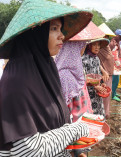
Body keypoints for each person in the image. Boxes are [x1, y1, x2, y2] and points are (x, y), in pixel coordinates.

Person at [0, 0, 93, 156]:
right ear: (34, 34)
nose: (62, 35)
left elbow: (59, 118)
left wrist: (75, 151)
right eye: (54, 29)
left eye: (60, 29)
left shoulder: (47, 69)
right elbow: (28, 150)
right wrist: (78, 129)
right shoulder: (15, 83)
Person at [55, 41, 93, 122]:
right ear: (74, 49)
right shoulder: (65, 75)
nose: (83, 49)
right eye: (82, 46)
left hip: (83, 119)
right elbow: (64, 105)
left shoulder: (75, 67)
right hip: (75, 124)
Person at [82, 38, 110, 116]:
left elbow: (97, 74)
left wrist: (102, 83)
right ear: (89, 46)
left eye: (98, 45)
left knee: (98, 114)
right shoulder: (83, 59)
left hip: (97, 94)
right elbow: (82, 78)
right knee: (90, 116)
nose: (97, 47)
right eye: (94, 45)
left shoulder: (96, 58)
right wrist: (95, 86)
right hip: (87, 94)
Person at [97, 35, 114, 119]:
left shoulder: (106, 46)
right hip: (104, 74)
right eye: (105, 37)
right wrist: (103, 70)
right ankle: (103, 114)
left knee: (107, 93)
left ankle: (105, 113)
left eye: (107, 37)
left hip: (108, 72)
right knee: (104, 94)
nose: (106, 39)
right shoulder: (98, 48)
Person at [109, 29, 121, 102]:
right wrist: (120, 66)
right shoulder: (114, 44)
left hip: (115, 66)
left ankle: (114, 93)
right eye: (120, 37)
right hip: (114, 67)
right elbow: (115, 58)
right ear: (117, 36)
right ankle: (112, 96)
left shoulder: (116, 43)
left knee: (116, 81)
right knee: (115, 82)